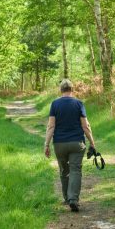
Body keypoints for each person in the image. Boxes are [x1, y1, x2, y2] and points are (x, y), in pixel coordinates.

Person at [44, 79, 95, 212]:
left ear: (61, 90)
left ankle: (67, 198)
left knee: (64, 171)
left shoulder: (55, 104)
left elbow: (51, 126)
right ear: (72, 90)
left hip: (59, 144)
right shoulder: (78, 103)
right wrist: (92, 143)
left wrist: (46, 144)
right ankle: (73, 199)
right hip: (76, 143)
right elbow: (85, 125)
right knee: (75, 170)